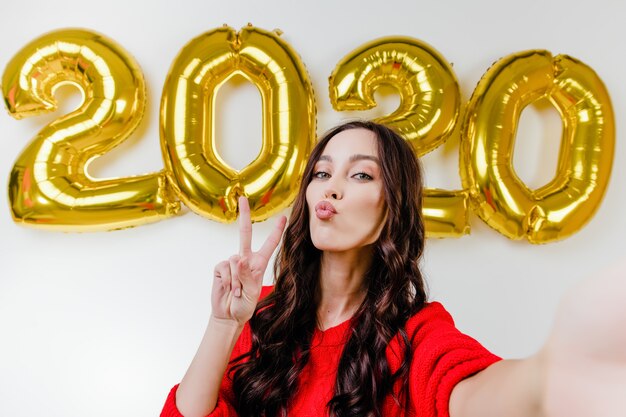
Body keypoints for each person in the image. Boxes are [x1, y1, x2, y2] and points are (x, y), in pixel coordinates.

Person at [161, 120, 626, 417]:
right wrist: (223, 324)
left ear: (392, 209)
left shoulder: (417, 332)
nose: (332, 189)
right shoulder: (261, 314)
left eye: (360, 174)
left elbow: (467, 394)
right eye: (322, 173)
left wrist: (550, 374)